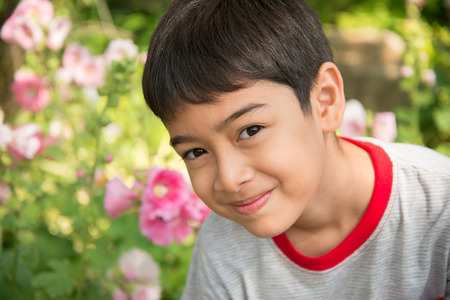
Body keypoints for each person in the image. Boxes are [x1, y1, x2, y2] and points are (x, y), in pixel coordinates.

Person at [142, 0, 450, 298]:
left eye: (250, 131)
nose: (229, 179)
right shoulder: (222, 248)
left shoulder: (438, 210)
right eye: (196, 152)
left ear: (324, 101)